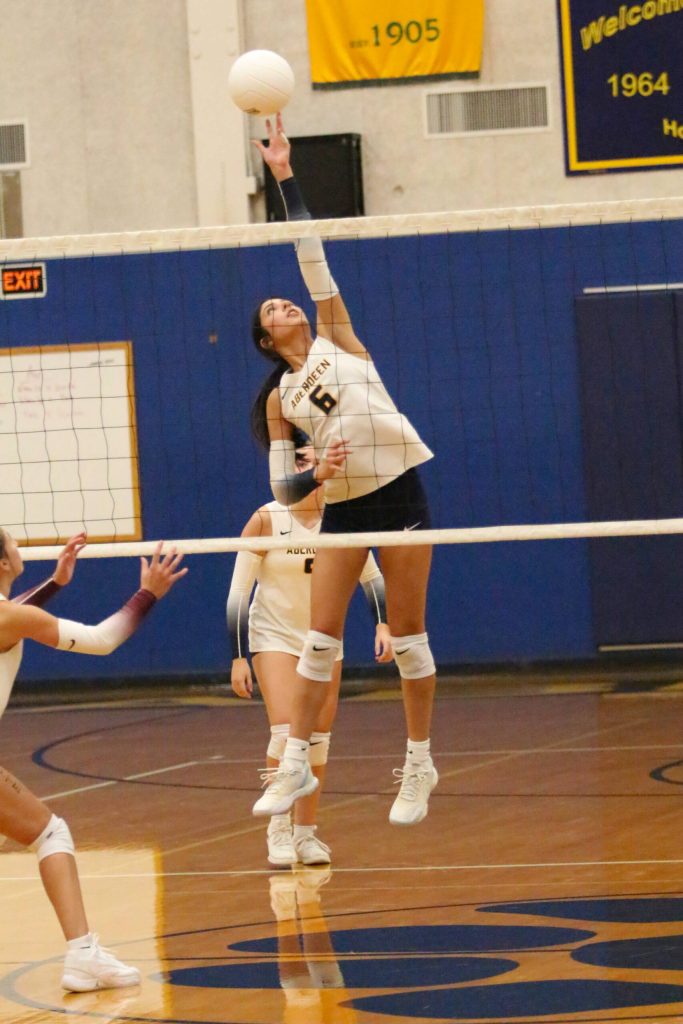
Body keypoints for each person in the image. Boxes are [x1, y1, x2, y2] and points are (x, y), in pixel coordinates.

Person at [248, 115, 437, 827]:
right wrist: (317, 476)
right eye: (273, 309)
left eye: (286, 299)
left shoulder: (338, 337)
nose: (286, 303)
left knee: (409, 638)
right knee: (320, 639)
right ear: (267, 337)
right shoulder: (281, 398)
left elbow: (311, 252)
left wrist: (285, 174)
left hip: (400, 490)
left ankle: (419, 762)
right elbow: (282, 489)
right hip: (347, 506)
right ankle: (294, 760)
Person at [0, 529, 187, 991]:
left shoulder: (11, 615)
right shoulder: (12, 617)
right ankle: (82, 955)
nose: (19, 547)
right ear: (3, 563)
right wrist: (148, 593)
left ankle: (84, 954)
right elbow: (102, 640)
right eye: (12, 543)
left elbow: (14, 618)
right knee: (50, 833)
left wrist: (56, 583)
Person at [227, 435, 392, 866]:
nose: (322, 473)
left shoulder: (342, 520)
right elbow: (238, 595)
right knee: (286, 731)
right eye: (310, 463)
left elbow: (372, 578)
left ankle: (305, 835)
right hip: (273, 637)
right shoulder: (266, 519)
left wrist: (383, 624)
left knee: (316, 739)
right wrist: (238, 655)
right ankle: (277, 829)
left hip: (322, 639)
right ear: (295, 469)